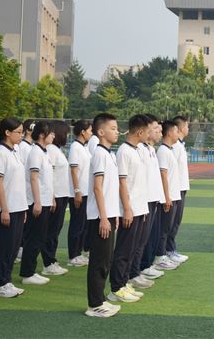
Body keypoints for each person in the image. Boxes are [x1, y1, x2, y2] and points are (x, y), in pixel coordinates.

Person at [108, 114, 151, 303]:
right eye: (148, 131)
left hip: (141, 208)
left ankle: (124, 283)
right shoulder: (124, 151)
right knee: (124, 250)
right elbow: (122, 182)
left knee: (133, 248)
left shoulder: (139, 149)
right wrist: (126, 208)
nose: (149, 135)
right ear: (140, 131)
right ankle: (116, 288)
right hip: (130, 209)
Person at [85, 113, 121, 318]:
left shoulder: (109, 154)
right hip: (99, 218)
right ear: (101, 131)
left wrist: (113, 214)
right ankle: (94, 304)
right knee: (99, 261)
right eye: (113, 128)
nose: (117, 131)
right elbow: (98, 189)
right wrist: (104, 217)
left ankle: (100, 299)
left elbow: (109, 189)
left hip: (107, 215)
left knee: (106, 260)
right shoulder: (99, 154)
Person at [130, 114, 167, 289]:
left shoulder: (150, 149)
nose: (158, 132)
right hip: (144, 200)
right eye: (154, 129)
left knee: (147, 237)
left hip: (153, 198)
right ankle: (136, 271)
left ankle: (142, 267)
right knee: (139, 240)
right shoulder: (140, 150)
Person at [0, 117, 27, 298]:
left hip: (19, 207)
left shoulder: (15, 151)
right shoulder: (1, 153)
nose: (21, 135)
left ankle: (6, 280)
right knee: (4, 248)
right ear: (7, 132)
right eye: (18, 132)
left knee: (13, 249)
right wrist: (4, 208)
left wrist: (23, 208)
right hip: (8, 208)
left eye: (22, 132)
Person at [19, 120, 55, 286]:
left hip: (45, 201)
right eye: (50, 133)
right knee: (33, 238)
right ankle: (27, 273)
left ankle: (31, 270)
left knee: (40, 237)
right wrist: (38, 202)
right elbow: (34, 178)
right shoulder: (35, 152)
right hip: (37, 202)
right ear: (42, 135)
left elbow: (47, 179)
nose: (53, 136)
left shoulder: (44, 152)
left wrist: (51, 198)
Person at [151, 119, 181, 274]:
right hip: (167, 197)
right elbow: (163, 174)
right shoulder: (162, 151)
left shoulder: (169, 150)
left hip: (173, 195)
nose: (178, 134)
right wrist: (166, 196)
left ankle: (163, 255)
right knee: (163, 229)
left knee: (167, 228)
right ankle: (160, 256)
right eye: (176, 131)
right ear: (169, 132)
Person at [43, 121, 71, 277]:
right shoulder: (52, 150)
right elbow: (49, 174)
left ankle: (51, 260)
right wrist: (52, 196)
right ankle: (48, 262)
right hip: (57, 196)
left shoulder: (57, 150)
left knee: (55, 229)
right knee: (52, 230)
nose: (66, 136)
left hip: (62, 194)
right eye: (65, 133)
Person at [164, 115, 191, 263]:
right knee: (172, 222)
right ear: (180, 128)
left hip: (181, 187)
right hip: (176, 189)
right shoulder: (174, 147)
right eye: (187, 126)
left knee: (176, 221)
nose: (188, 129)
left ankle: (170, 249)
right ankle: (169, 250)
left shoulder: (179, 145)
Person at [67, 120, 92, 267]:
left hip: (86, 191)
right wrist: (77, 191)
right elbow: (74, 170)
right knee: (77, 224)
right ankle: (73, 255)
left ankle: (79, 252)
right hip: (79, 192)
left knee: (83, 225)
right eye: (89, 130)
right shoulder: (75, 147)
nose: (91, 133)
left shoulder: (84, 147)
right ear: (82, 131)